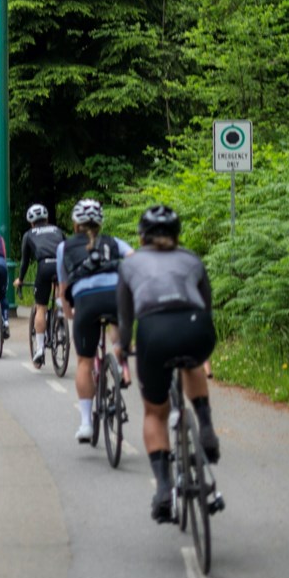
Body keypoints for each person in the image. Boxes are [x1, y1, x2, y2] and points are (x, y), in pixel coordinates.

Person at [115, 205, 219, 523]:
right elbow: (207, 304)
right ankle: (206, 426)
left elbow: (126, 317)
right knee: (191, 363)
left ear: (141, 235)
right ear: (177, 234)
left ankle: (163, 488)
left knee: (155, 412)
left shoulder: (130, 265)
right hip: (195, 324)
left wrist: (123, 347)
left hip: (155, 332)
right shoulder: (191, 259)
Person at [56, 199, 133, 443]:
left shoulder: (65, 247)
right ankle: (121, 363)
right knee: (116, 323)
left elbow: (63, 287)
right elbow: (133, 257)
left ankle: (86, 423)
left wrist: (70, 315)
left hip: (86, 301)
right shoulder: (113, 242)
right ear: (100, 222)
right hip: (116, 295)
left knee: (84, 362)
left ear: (75, 223)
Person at [12, 203, 65, 368]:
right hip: (62, 265)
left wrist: (20, 279)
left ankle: (40, 348)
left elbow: (25, 261)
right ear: (47, 218)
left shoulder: (29, 234)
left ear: (31, 222)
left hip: (44, 266)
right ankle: (60, 311)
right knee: (59, 294)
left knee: (40, 307)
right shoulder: (57, 230)